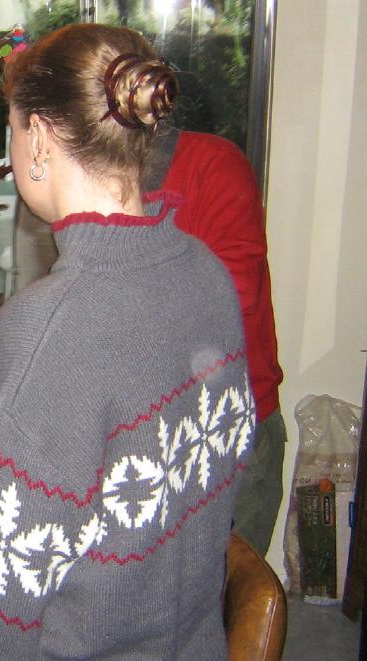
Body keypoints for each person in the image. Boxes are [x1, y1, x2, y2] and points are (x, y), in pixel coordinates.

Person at [0, 24, 253, 657]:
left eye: (14, 131)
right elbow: (102, 402)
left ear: (38, 136)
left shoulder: (49, 327)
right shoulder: (202, 272)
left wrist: (13, 348)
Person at [142, 126, 285, 556]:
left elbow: (234, 297)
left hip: (230, 428)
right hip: (144, 433)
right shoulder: (88, 179)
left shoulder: (214, 164)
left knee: (227, 586)